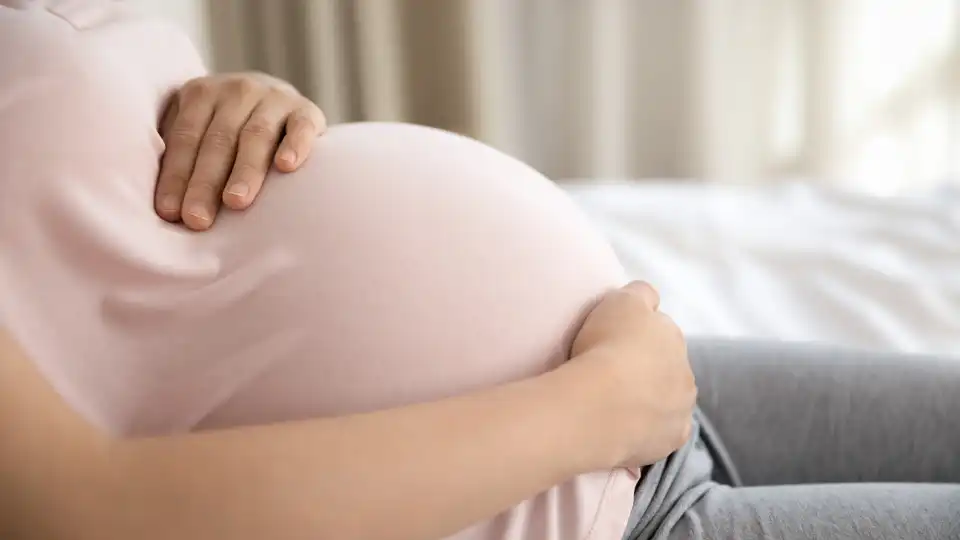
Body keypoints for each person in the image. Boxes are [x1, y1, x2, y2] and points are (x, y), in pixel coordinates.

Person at [1, 3, 959, 540]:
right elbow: (79, 511)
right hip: (589, 498)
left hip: (640, 393)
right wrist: (597, 408)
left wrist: (227, 108)